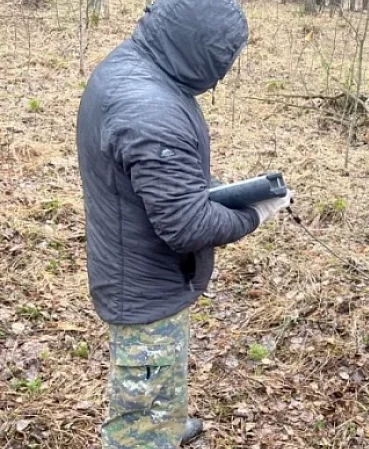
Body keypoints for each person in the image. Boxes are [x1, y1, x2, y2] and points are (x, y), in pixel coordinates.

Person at [75, 0, 292, 447]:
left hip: (143, 273)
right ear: (198, 49)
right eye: (223, 59)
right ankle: (148, 432)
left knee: (162, 370)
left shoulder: (136, 67)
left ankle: (166, 422)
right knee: (141, 405)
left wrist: (215, 188)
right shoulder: (148, 108)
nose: (226, 71)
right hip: (143, 290)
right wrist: (255, 212)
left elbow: (157, 179)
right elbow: (187, 225)